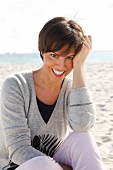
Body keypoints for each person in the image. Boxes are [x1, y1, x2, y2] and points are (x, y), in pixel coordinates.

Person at [0, 16, 105, 170]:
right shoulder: (16, 84)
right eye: (54, 55)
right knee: (43, 163)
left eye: (69, 58)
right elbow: (18, 149)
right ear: (42, 52)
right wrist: (61, 168)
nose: (61, 65)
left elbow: (82, 126)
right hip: (16, 166)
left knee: (84, 138)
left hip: (52, 163)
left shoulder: (71, 88)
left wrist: (79, 66)